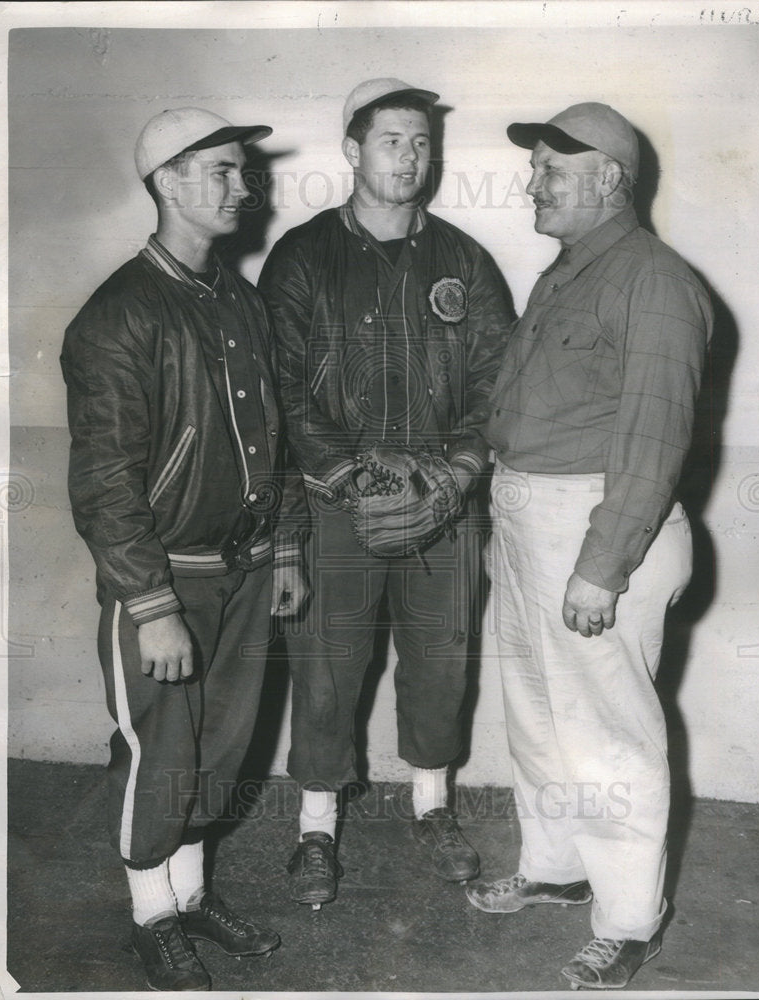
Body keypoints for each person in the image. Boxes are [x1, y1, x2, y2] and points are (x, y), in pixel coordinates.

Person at [465, 102, 713, 989]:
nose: (532, 184)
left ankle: (630, 920)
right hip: (532, 522)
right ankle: (558, 868)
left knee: (610, 739)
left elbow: (653, 442)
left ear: (609, 180)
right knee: (536, 714)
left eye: (551, 172)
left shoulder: (656, 283)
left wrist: (600, 567)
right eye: (535, 170)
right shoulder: (568, 273)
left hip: (602, 535)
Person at [61, 107, 307, 991]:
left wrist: (282, 549)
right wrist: (151, 605)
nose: (247, 188)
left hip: (243, 574)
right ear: (168, 183)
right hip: (168, 581)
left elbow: (270, 440)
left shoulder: (237, 300)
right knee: (161, 752)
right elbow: (105, 485)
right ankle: (149, 915)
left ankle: (191, 893)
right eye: (224, 173)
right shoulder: (119, 316)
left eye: (244, 172)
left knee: (221, 747)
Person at [258, 78, 514, 907]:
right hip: (339, 503)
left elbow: (495, 382)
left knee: (442, 662)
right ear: (353, 149)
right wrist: (344, 471)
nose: (410, 156)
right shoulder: (302, 255)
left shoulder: (463, 261)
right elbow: (283, 387)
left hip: (446, 504)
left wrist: (460, 471)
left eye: (421, 142)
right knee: (329, 667)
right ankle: (316, 827)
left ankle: (432, 806)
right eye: (392, 140)